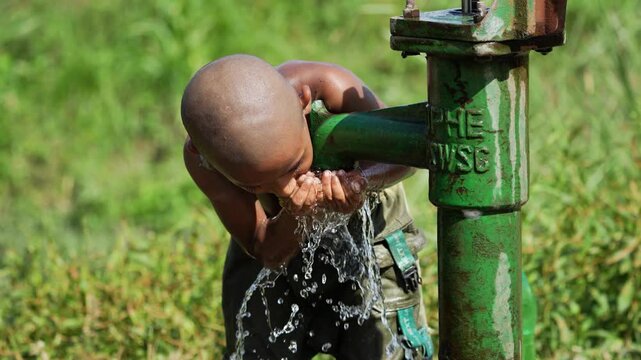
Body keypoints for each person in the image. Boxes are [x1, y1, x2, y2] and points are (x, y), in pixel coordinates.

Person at [181, 54, 431, 359]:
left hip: (372, 243)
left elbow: (403, 153)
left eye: (294, 164)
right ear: (204, 156)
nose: (288, 188)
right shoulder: (201, 161)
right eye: (256, 185)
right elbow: (264, 248)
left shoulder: (326, 84)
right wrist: (297, 216)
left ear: (303, 102)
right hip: (277, 249)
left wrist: (361, 181)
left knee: (388, 349)